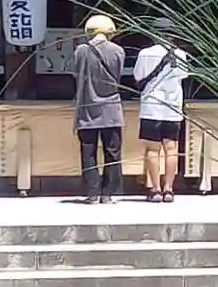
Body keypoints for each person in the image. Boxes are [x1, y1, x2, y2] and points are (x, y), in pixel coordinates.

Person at [133, 20, 190, 203]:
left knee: (152, 149)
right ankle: (169, 189)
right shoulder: (180, 54)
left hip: (151, 107)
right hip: (173, 108)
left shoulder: (145, 53)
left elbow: (138, 76)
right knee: (171, 148)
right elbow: (184, 75)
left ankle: (156, 189)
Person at [73, 12, 126, 203]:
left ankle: (92, 192)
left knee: (88, 152)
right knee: (112, 152)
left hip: (87, 109)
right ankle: (108, 193)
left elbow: (76, 75)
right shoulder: (118, 51)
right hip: (111, 109)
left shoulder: (81, 51)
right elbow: (117, 77)